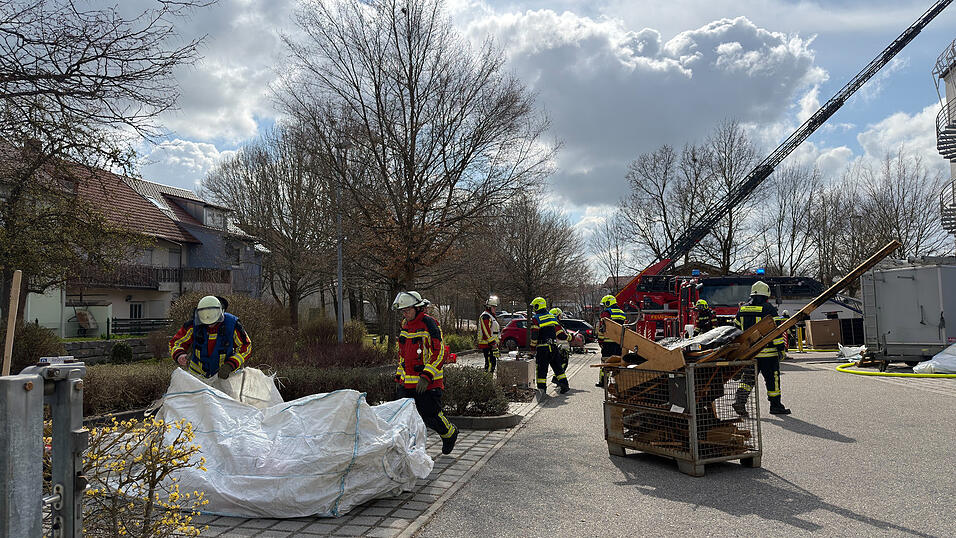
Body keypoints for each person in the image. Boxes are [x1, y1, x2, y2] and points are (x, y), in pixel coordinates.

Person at [392, 291, 458, 455]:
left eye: (407, 310)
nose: (405, 313)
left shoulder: (430, 324)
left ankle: (450, 433)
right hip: (407, 383)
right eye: (403, 311)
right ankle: (408, 450)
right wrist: (399, 376)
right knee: (403, 416)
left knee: (431, 416)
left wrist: (426, 376)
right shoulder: (405, 325)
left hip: (428, 383)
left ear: (417, 308)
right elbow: (403, 355)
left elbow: (439, 352)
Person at [732, 281, 791, 415]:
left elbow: (736, 331)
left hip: (750, 353)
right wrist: (781, 349)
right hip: (768, 354)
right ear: (766, 294)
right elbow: (775, 332)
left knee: (747, 380)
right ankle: (775, 406)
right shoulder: (768, 309)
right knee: (772, 379)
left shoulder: (742, 309)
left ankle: (739, 402)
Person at [169, 295, 251, 379]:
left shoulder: (232, 325)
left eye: (213, 322)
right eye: (206, 323)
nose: (210, 325)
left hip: (225, 375)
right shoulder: (193, 325)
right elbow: (176, 343)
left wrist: (231, 365)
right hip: (197, 376)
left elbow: (245, 347)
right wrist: (179, 355)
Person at [530, 297, 570, 397]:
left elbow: (534, 334)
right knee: (557, 367)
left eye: (534, 307)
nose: (533, 309)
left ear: (537, 306)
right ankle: (564, 385)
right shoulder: (552, 317)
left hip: (542, 347)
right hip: (553, 347)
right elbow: (559, 333)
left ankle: (542, 390)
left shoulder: (536, 318)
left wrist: (532, 347)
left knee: (542, 370)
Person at [596, 294, 627, 388]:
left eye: (605, 304)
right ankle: (618, 383)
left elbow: (602, 329)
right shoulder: (622, 313)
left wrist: (600, 341)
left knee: (605, 362)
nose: (604, 306)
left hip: (607, 343)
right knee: (617, 362)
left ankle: (603, 382)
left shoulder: (606, 313)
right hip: (618, 343)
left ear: (608, 303)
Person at [477, 296, 501, 374]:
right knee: (490, 363)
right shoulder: (485, 316)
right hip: (487, 344)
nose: (495, 309)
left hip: (491, 344)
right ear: (489, 307)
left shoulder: (490, 316)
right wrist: (493, 343)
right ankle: (487, 381)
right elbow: (486, 331)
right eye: (493, 307)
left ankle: (488, 380)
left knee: (492, 363)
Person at [550, 307, 571, 377]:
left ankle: (557, 379)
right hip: (561, 349)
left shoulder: (555, 325)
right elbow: (561, 336)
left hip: (561, 348)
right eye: (559, 316)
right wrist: (570, 337)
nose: (561, 317)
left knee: (561, 365)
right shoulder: (556, 325)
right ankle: (557, 379)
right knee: (562, 365)